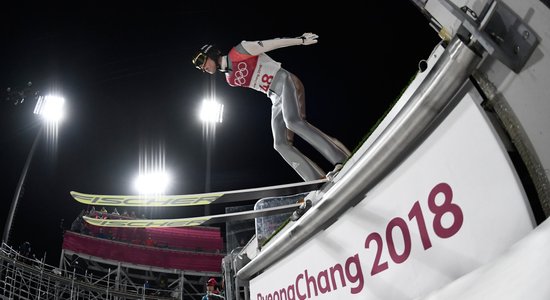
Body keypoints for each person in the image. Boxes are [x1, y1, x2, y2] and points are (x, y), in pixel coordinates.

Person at [192, 33, 350, 181]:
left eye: (202, 62)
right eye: (199, 67)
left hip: (284, 81)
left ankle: (340, 157)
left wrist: (300, 40)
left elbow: (273, 44)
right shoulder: (230, 79)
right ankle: (316, 180)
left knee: (293, 121)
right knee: (280, 144)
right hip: (274, 96)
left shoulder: (239, 50)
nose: (202, 68)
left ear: (211, 54)